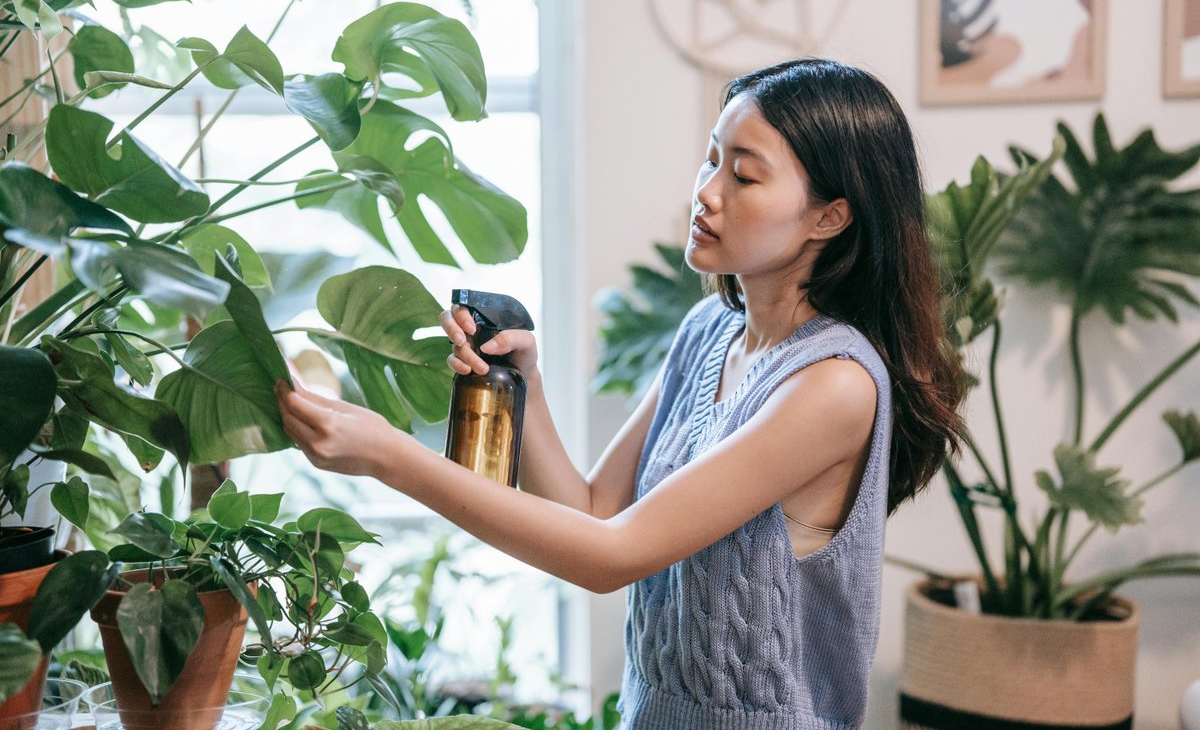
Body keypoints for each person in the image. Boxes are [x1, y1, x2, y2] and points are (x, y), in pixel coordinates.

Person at [274, 57, 967, 730]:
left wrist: (385, 456)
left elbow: (612, 556)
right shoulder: (708, 332)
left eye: (746, 176)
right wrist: (527, 386)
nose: (708, 191)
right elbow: (594, 509)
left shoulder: (834, 386)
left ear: (829, 218)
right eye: (712, 158)